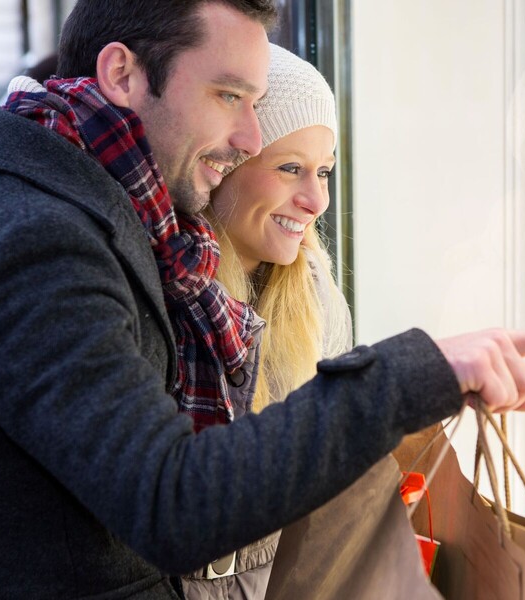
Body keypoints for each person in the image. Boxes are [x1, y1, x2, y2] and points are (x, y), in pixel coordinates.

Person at [0, 1, 525, 598]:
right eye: (228, 95)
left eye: (254, 102)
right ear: (122, 73)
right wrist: (413, 374)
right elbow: (171, 504)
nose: (251, 136)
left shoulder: (90, 207)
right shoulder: (37, 237)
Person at [181, 43, 352, 599]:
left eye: (324, 172)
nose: (316, 200)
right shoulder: (169, 297)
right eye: (289, 169)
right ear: (224, 166)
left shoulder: (317, 296)